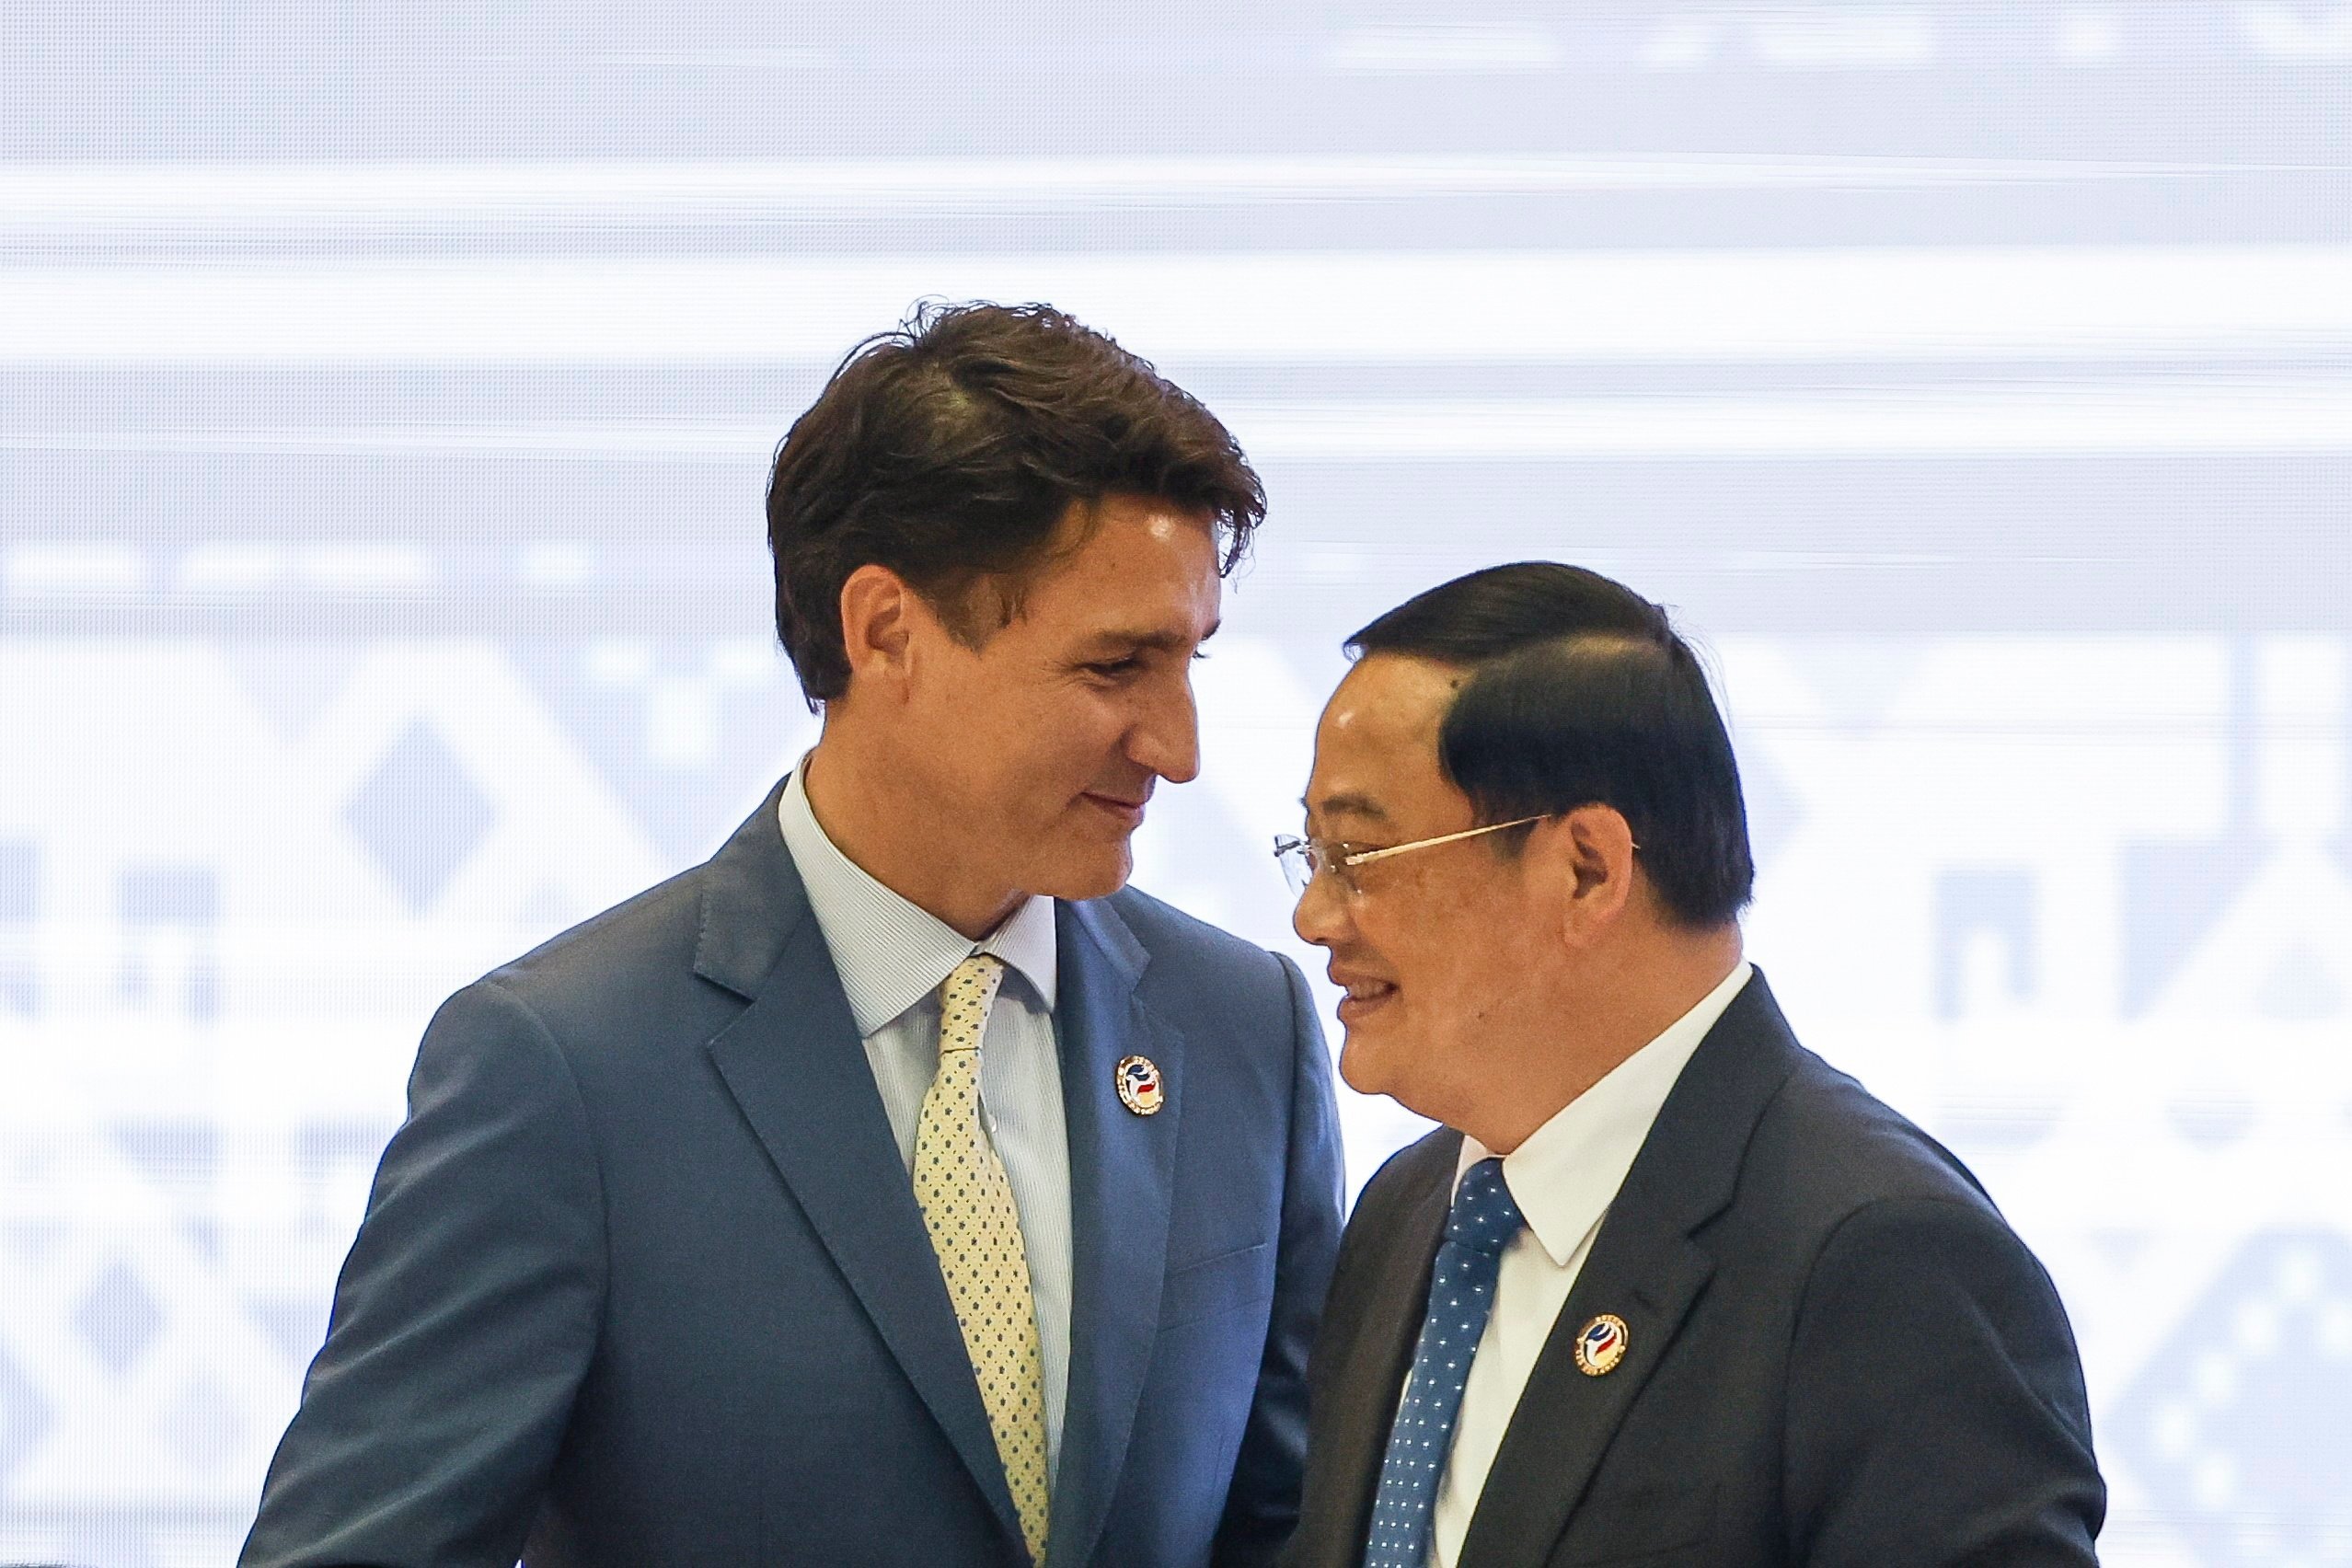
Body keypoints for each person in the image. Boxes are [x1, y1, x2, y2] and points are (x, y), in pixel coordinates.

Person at [242, 303, 1343, 1568]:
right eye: (1115, 669)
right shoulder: (565, 1071)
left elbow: (1291, 1532)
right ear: (886, 631)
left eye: (1191, 659)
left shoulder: (1241, 1028)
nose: (1179, 747)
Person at [1277, 563, 2103, 1567]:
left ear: (1587, 868)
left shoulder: (1884, 1261)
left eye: (1359, 857)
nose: (1314, 918)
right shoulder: (1410, 1214)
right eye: (1311, 855)